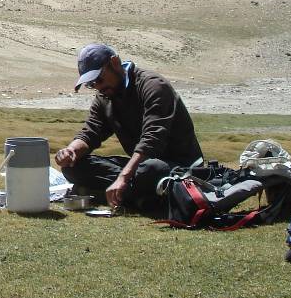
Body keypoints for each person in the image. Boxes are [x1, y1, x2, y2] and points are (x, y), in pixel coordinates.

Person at [54, 43, 204, 212]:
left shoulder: (153, 86)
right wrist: (71, 151)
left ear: (115, 63)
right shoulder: (105, 96)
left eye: (99, 79)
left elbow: (152, 141)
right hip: (140, 166)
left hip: (179, 167)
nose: (97, 87)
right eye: (91, 84)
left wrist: (124, 176)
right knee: (73, 167)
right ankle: (139, 197)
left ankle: (124, 195)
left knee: (151, 169)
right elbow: (91, 131)